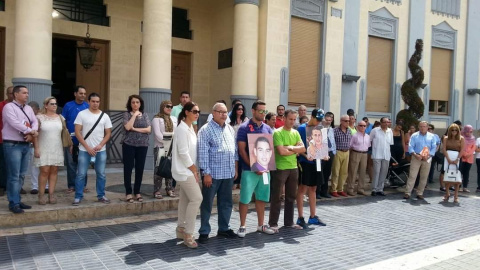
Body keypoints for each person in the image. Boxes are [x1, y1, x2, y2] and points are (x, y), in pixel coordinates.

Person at [197, 103, 238, 244]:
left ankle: (224, 228)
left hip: (228, 173)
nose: (223, 115)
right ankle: (204, 231)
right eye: (220, 112)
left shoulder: (230, 129)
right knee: (207, 203)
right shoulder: (205, 130)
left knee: (226, 203)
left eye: (225, 112)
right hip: (212, 175)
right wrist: (206, 173)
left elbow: (234, 151)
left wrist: (235, 168)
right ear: (213, 113)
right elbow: (202, 153)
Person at [236, 100, 275, 237]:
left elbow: (269, 149)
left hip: (264, 171)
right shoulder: (244, 127)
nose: (263, 113)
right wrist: (254, 167)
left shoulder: (267, 128)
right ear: (253, 111)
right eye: (260, 111)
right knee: (245, 198)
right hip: (249, 170)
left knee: (262, 197)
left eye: (265, 111)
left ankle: (261, 225)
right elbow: (242, 151)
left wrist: (266, 166)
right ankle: (242, 226)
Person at [171, 101, 203, 248]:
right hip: (185, 171)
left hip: (187, 170)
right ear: (187, 112)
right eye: (195, 111)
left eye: (198, 112)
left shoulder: (189, 128)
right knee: (197, 198)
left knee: (185, 199)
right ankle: (188, 233)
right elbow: (183, 153)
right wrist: (194, 170)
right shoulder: (182, 129)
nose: (197, 114)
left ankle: (181, 228)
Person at [72, 93, 112, 206]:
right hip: (85, 150)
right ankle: (78, 196)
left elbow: (108, 133)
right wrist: (87, 147)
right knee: (81, 174)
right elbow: (77, 132)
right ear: (88, 102)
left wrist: (100, 145)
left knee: (101, 174)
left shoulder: (104, 116)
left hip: (101, 150)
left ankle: (101, 195)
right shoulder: (82, 114)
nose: (95, 104)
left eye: (97, 101)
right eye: (93, 101)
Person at [2, 85, 37, 213]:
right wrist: (31, 131)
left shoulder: (28, 108)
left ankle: (17, 199)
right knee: (14, 175)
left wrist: (31, 132)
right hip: (12, 144)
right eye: (24, 93)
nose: (27, 95)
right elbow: (14, 123)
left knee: (22, 174)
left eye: (27, 93)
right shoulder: (8, 107)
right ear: (16, 94)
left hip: (25, 144)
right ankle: (13, 202)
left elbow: (35, 121)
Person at [269, 109, 306, 231]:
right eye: (290, 119)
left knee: (291, 196)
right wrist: (295, 149)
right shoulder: (277, 133)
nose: (292, 121)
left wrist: (289, 147)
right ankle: (273, 223)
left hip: (293, 168)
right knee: (277, 196)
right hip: (280, 168)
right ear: (284, 118)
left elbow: (303, 149)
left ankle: (288, 222)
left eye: (294, 119)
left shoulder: (295, 132)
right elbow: (281, 151)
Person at [297, 109, 327, 228]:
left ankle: (313, 216)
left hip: (317, 162)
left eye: (320, 120)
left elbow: (322, 146)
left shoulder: (320, 129)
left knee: (314, 188)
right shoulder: (301, 128)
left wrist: (325, 155)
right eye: (317, 119)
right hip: (305, 163)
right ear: (312, 117)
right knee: (302, 189)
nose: (319, 122)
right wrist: (306, 155)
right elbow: (298, 147)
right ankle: (300, 217)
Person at [33, 97, 64, 205]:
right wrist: (36, 148)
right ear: (46, 105)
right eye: (52, 104)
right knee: (44, 171)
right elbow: (35, 135)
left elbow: (64, 133)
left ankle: (51, 194)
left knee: (54, 170)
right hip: (43, 147)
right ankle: (41, 195)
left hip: (56, 147)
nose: (54, 105)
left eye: (55, 104)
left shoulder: (60, 118)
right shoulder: (39, 118)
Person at [122, 95, 151, 203]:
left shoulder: (145, 115)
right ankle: (128, 193)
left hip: (142, 145)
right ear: (130, 104)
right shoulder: (126, 114)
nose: (135, 104)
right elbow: (128, 127)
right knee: (128, 169)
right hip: (129, 144)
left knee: (140, 169)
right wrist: (134, 115)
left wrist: (135, 129)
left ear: (140, 104)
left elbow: (149, 129)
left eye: (137, 102)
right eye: (133, 102)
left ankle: (137, 191)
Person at [62, 85, 89, 193]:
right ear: (75, 94)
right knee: (71, 163)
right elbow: (63, 121)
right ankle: (72, 185)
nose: (83, 95)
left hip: (84, 140)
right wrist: (66, 135)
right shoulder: (68, 105)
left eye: (84, 94)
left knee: (83, 162)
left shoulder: (87, 106)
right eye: (81, 93)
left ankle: (83, 185)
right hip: (71, 139)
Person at [403, 121, 436, 200]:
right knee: (412, 175)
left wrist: (428, 156)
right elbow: (411, 146)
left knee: (424, 176)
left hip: (427, 158)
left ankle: (420, 192)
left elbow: (434, 147)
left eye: (424, 126)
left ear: (427, 127)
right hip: (416, 157)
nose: (422, 128)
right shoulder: (414, 135)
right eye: (421, 126)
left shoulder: (432, 136)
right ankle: (407, 192)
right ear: (418, 127)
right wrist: (415, 154)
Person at [152, 100, 178, 199]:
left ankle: (169, 188)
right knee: (159, 168)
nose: (169, 108)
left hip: (171, 147)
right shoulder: (156, 119)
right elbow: (158, 135)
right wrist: (169, 141)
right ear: (163, 107)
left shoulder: (174, 118)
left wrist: (172, 142)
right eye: (167, 106)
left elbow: (176, 132)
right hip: (160, 147)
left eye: (171, 107)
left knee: (170, 168)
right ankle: (157, 190)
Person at [370, 117, 393, 196]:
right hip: (377, 154)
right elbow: (369, 140)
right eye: (384, 122)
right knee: (376, 172)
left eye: (387, 122)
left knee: (384, 172)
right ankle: (374, 189)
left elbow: (390, 143)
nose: (386, 124)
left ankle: (380, 189)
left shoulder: (390, 131)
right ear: (381, 123)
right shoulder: (375, 130)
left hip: (386, 155)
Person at [346, 120, 370, 196]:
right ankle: (350, 189)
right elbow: (350, 145)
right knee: (353, 171)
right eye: (361, 125)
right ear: (357, 126)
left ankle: (361, 189)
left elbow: (368, 146)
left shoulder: (367, 136)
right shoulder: (354, 135)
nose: (362, 127)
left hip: (364, 154)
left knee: (363, 172)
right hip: (356, 153)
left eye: (364, 126)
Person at [330, 115, 352, 197]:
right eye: (346, 121)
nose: (348, 122)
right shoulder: (335, 130)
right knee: (336, 171)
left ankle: (340, 189)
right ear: (341, 121)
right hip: (338, 152)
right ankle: (333, 189)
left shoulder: (349, 130)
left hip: (346, 152)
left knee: (344, 172)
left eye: (348, 121)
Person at [442, 123, 464, 203]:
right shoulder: (446, 138)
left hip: (457, 157)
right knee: (447, 175)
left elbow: (462, 149)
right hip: (448, 157)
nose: (454, 132)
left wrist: (458, 159)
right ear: (450, 131)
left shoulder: (461, 139)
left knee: (456, 176)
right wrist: (448, 158)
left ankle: (456, 195)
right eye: (452, 130)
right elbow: (443, 149)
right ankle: (447, 193)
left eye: (456, 130)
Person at [317, 112, 336, 199]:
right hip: (321, 154)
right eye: (327, 120)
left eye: (330, 120)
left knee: (327, 173)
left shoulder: (332, 129)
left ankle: (324, 192)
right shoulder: (319, 129)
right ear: (323, 120)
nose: (328, 122)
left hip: (330, 153)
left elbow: (332, 142)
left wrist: (333, 152)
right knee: (319, 173)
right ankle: (317, 192)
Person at [0, 86, 14, 197]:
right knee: (3, 164)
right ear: (6, 94)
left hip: (18, 140)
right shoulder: (1, 106)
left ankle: (16, 186)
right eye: (10, 93)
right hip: (2, 139)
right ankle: (2, 186)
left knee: (15, 166)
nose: (12, 95)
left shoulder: (22, 107)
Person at [27, 101, 41, 195]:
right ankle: (34, 186)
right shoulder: (27, 119)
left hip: (42, 145)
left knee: (44, 167)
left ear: (37, 110)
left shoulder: (41, 118)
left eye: (33, 110)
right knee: (34, 167)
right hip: (32, 146)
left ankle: (46, 185)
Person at [460, 125, 475, 193]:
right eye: (467, 132)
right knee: (460, 172)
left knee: (466, 173)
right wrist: (464, 154)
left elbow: (473, 147)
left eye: (470, 132)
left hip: (469, 158)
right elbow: (460, 146)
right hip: (462, 157)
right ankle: (458, 186)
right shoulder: (461, 137)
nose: (468, 133)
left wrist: (468, 154)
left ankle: (465, 187)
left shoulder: (473, 138)